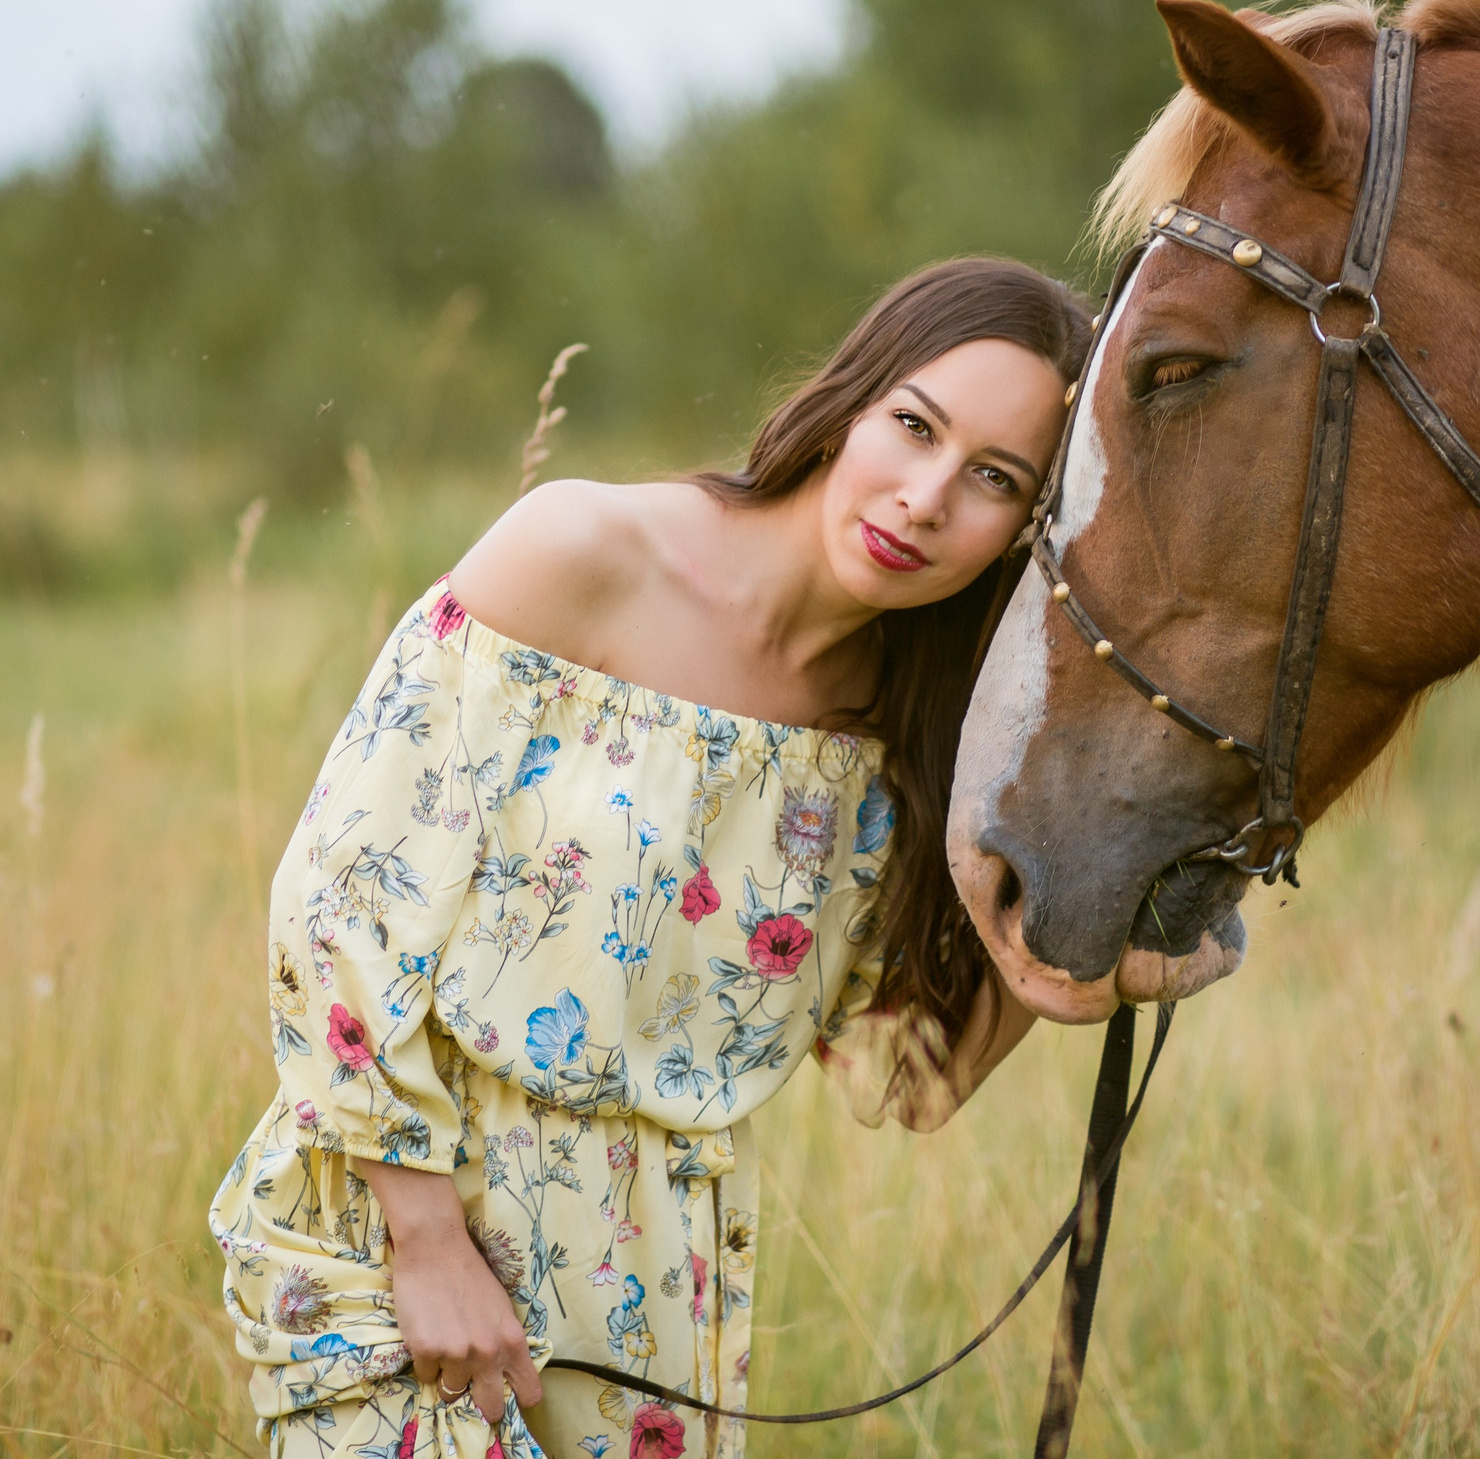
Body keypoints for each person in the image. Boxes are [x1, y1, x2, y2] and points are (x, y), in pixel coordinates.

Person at [208, 257, 1092, 1458]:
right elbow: (341, 898)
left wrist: (1104, 940)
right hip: (398, 1231)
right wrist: (425, 1244)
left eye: (994, 479)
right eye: (913, 426)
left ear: (1022, 533)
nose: (927, 497)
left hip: (651, 1298)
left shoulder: (901, 736)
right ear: (850, 401)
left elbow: (903, 1073)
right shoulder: (584, 554)